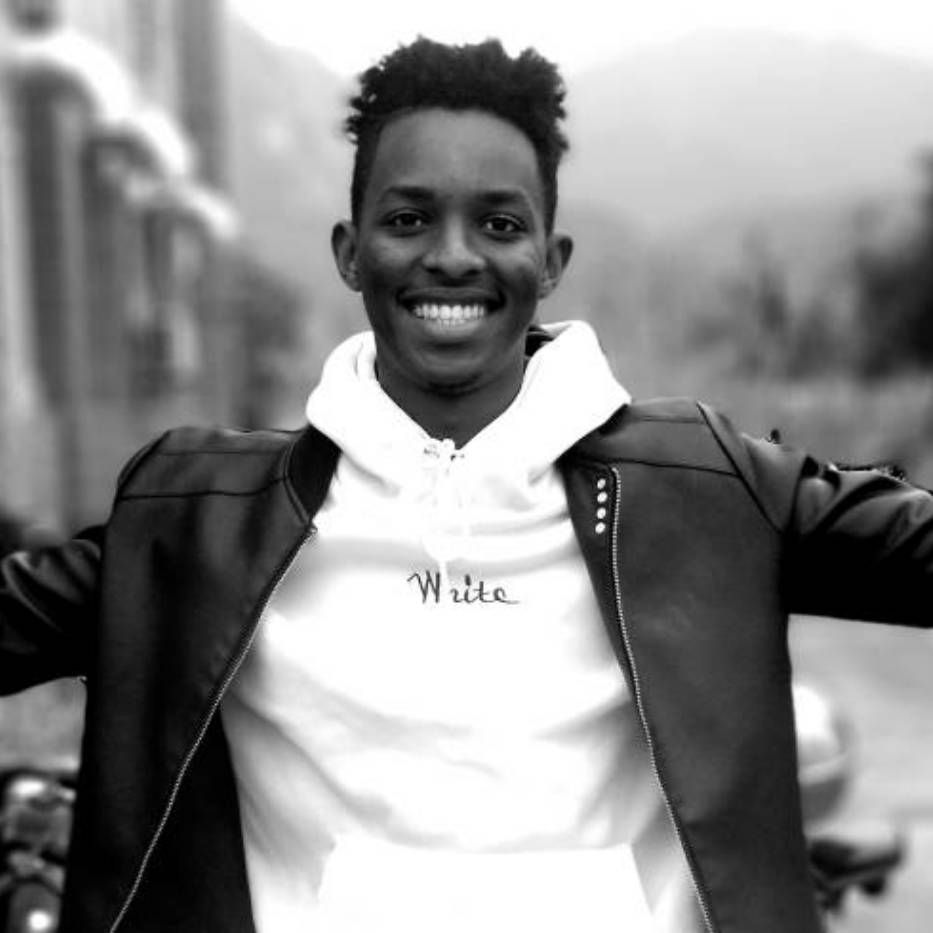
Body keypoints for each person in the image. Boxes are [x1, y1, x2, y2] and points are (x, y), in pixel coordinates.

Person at [1, 36, 931, 933]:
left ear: (551, 261)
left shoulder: (705, 485)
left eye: (499, 223)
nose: (453, 255)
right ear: (350, 250)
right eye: (408, 219)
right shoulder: (196, 519)